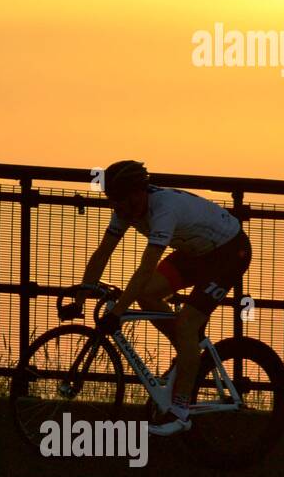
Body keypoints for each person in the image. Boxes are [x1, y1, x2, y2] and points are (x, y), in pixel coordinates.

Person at [70, 160, 252, 435]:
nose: (116, 208)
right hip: (196, 252)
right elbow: (102, 253)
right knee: (146, 296)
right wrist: (81, 298)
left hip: (228, 253)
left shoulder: (164, 209)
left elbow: (145, 268)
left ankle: (180, 412)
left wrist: (118, 311)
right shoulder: (125, 209)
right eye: (112, 201)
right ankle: (187, 352)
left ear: (137, 194)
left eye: (120, 201)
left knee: (188, 325)